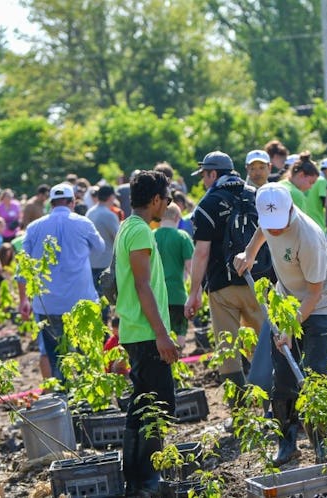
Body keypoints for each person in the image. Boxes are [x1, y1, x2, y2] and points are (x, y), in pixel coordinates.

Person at [234, 183, 327, 465]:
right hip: (286, 301)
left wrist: (290, 329)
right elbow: (261, 231)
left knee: (314, 375)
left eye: (279, 224)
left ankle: (323, 443)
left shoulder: (309, 237)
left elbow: (314, 293)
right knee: (283, 378)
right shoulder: (269, 217)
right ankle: (287, 443)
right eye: (271, 225)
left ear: (291, 208)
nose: (275, 230)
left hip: (319, 308)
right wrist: (249, 253)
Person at [115, 170, 179, 497]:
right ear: (155, 200)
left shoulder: (128, 227)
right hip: (144, 332)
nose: (167, 205)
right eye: (166, 199)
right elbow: (142, 285)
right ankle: (147, 480)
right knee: (159, 404)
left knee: (141, 404)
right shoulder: (139, 231)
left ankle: (135, 480)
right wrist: (162, 334)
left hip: (136, 330)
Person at [185, 151, 265, 391]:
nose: (203, 181)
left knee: (227, 349)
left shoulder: (207, 204)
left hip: (223, 286)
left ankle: (239, 410)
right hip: (259, 283)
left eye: (204, 176)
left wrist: (194, 292)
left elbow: (201, 253)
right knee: (271, 343)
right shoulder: (256, 196)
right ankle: (277, 406)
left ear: (213, 173)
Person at [18, 183, 105, 382]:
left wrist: (23, 299)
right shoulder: (83, 223)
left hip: (48, 305)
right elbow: (100, 248)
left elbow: (22, 267)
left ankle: (64, 401)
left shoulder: (33, 228)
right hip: (82, 301)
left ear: (50, 203)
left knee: (56, 357)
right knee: (87, 352)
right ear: (73, 201)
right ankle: (89, 398)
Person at [153, 203, 194, 349]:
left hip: (154, 296)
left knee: (158, 336)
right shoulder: (182, 237)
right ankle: (179, 364)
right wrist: (196, 293)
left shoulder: (151, 236)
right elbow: (191, 268)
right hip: (177, 295)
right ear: (177, 217)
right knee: (180, 334)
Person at [86, 184, 120, 302]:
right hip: (105, 262)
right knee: (105, 298)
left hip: (91, 260)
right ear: (111, 197)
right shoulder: (109, 215)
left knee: (93, 298)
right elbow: (118, 238)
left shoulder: (90, 212)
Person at [306, 156, 327, 231]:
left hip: (308, 222)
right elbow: (326, 204)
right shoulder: (322, 181)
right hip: (317, 223)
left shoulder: (312, 179)